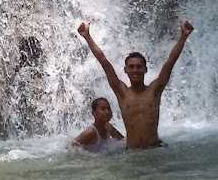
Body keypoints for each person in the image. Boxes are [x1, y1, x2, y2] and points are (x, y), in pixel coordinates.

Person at [77, 21, 194, 150]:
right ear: (126, 70)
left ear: (145, 69)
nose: (135, 70)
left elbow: (170, 61)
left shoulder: (154, 90)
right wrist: (87, 37)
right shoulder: (121, 92)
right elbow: (104, 61)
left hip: (154, 149)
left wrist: (183, 37)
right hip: (132, 152)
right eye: (131, 67)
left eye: (139, 67)